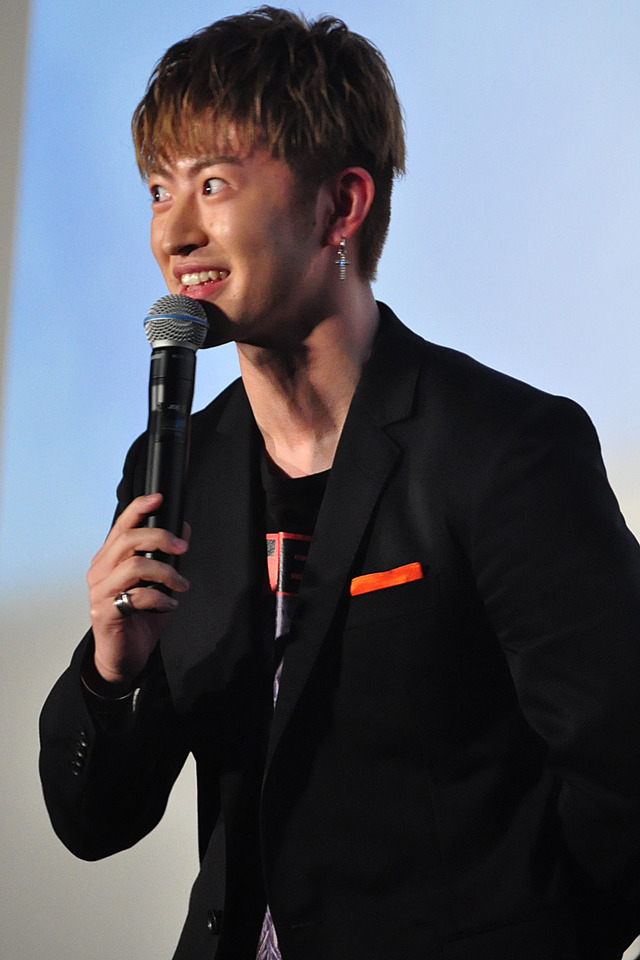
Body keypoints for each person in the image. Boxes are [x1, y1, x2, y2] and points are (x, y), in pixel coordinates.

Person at [39, 7, 640, 959]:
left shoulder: (505, 449)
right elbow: (95, 822)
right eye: (158, 189)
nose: (175, 231)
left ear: (341, 207)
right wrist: (114, 672)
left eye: (212, 183)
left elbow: (623, 782)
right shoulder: (178, 465)